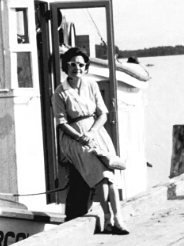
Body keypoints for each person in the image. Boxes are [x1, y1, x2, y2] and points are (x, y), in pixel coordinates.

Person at [53, 47, 129, 234]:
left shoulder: (92, 85)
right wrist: (81, 137)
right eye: (72, 64)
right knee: (101, 176)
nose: (76, 68)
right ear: (66, 66)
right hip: (74, 138)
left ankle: (116, 219)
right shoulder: (60, 92)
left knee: (109, 176)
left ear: (85, 68)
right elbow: (61, 123)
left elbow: (102, 114)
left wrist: (93, 132)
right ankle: (108, 217)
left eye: (80, 64)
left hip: (96, 133)